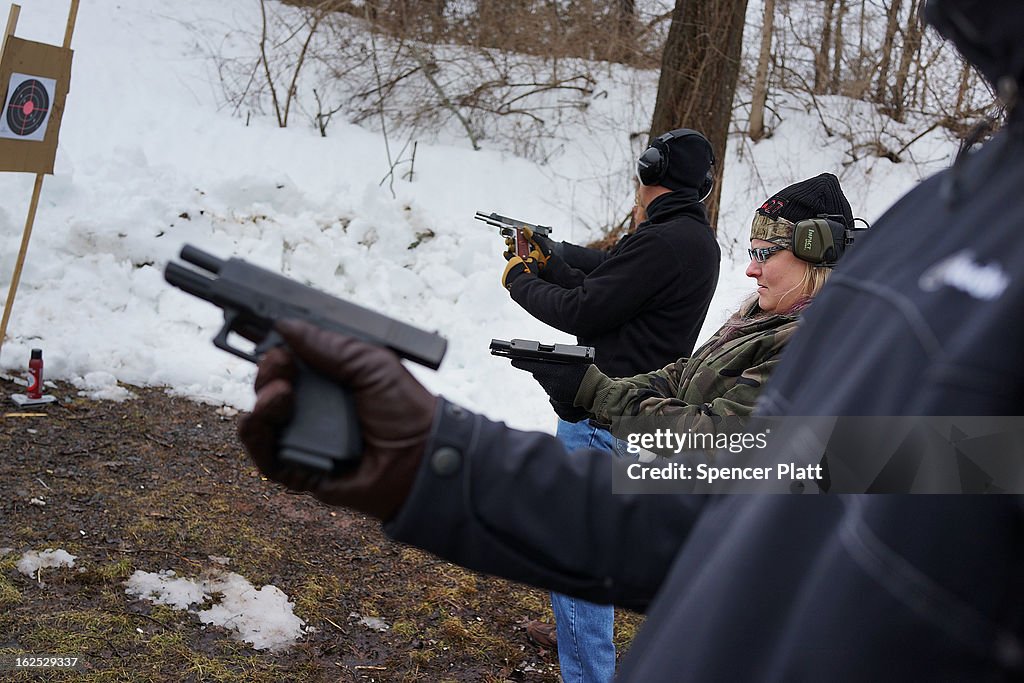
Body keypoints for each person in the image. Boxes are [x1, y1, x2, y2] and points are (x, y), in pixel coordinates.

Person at [238, 1, 1024, 678]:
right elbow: (755, 506)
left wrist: (574, 380)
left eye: (767, 254)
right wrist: (432, 461)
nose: (752, 272)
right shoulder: (947, 214)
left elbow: (758, 485)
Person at [499, 128, 720, 681]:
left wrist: (518, 280)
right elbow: (605, 283)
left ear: (648, 174)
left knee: (578, 553)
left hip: (604, 416)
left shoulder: (662, 241)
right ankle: (572, 629)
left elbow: (582, 310)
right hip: (637, 409)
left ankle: (588, 670)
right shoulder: (690, 239)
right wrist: (548, 262)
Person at [512, 173, 854, 437]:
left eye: (765, 253)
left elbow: (718, 437)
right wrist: (593, 391)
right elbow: (685, 375)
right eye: (752, 253)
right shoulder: (761, 316)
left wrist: (598, 394)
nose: (751, 269)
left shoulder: (810, 342)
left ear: (814, 255)